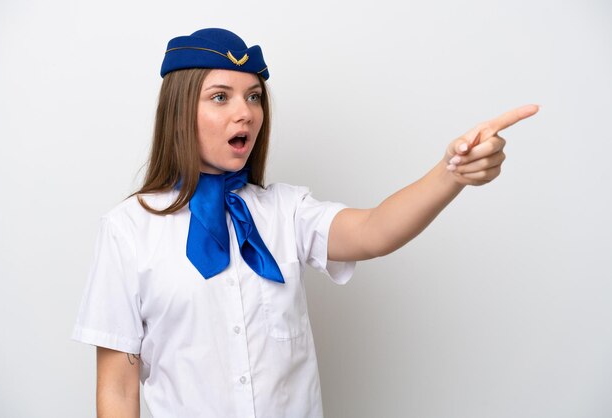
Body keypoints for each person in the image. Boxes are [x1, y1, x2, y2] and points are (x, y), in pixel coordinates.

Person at [72, 28, 538, 417]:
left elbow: (376, 229)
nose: (246, 112)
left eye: (254, 97)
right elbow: (117, 388)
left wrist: (450, 172)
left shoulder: (287, 211)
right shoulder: (128, 230)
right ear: (178, 112)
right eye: (221, 97)